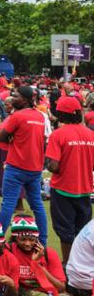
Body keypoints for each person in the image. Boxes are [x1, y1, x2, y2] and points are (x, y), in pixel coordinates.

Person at [45, 94, 94, 265]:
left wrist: (49, 162)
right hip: (85, 190)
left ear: (61, 114)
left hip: (63, 190)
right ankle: (82, 265)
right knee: (82, 232)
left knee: (65, 232)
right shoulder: (90, 134)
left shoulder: (58, 135)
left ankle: (67, 266)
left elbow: (54, 166)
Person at [0, 86, 49, 244]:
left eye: (16, 96)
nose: (13, 98)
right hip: (35, 169)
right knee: (37, 205)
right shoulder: (41, 116)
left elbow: (2, 136)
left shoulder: (17, 116)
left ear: (25, 99)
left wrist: (10, 138)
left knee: (8, 205)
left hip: (16, 167)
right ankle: (43, 241)